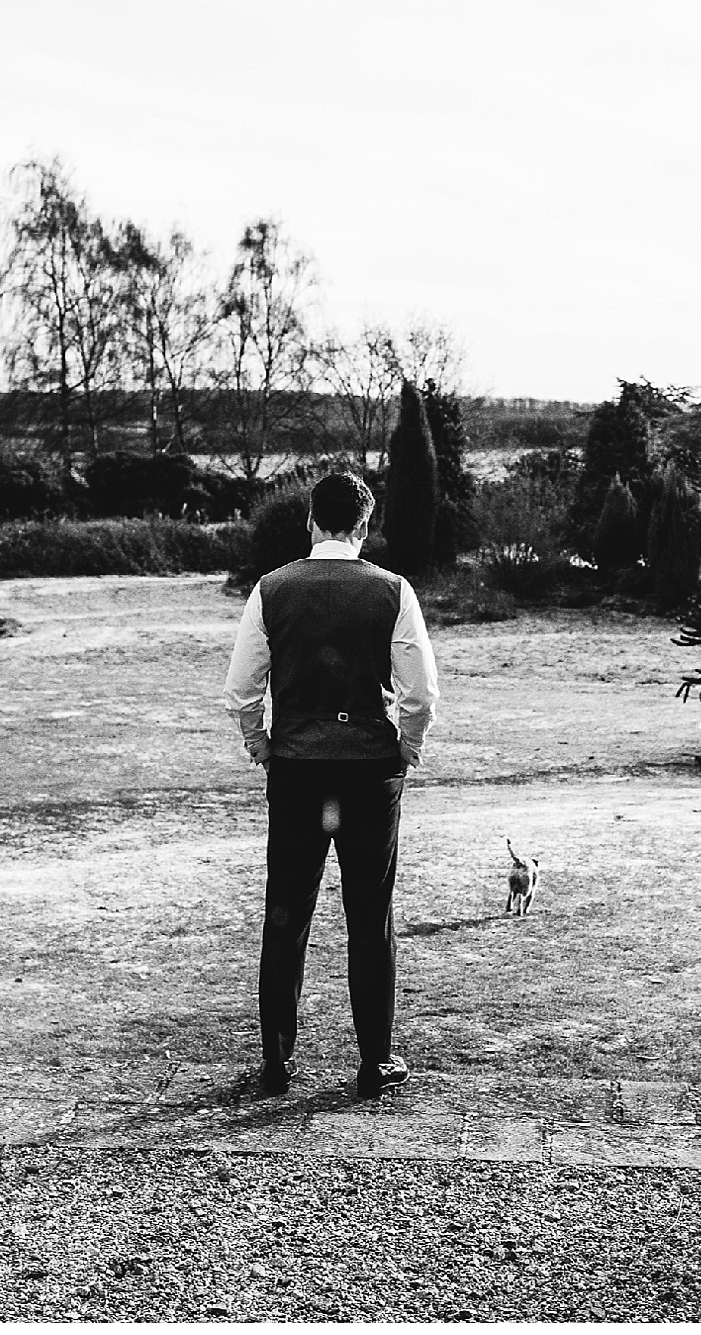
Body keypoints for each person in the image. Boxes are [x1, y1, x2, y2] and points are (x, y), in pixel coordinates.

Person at [220, 471, 440, 1099]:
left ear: (311, 522)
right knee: (371, 916)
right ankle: (375, 1061)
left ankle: (277, 1061)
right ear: (364, 526)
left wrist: (257, 739)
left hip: (297, 769)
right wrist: (408, 744)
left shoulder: (272, 589)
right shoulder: (392, 590)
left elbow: (241, 687)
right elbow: (420, 692)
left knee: (286, 913)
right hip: (370, 771)